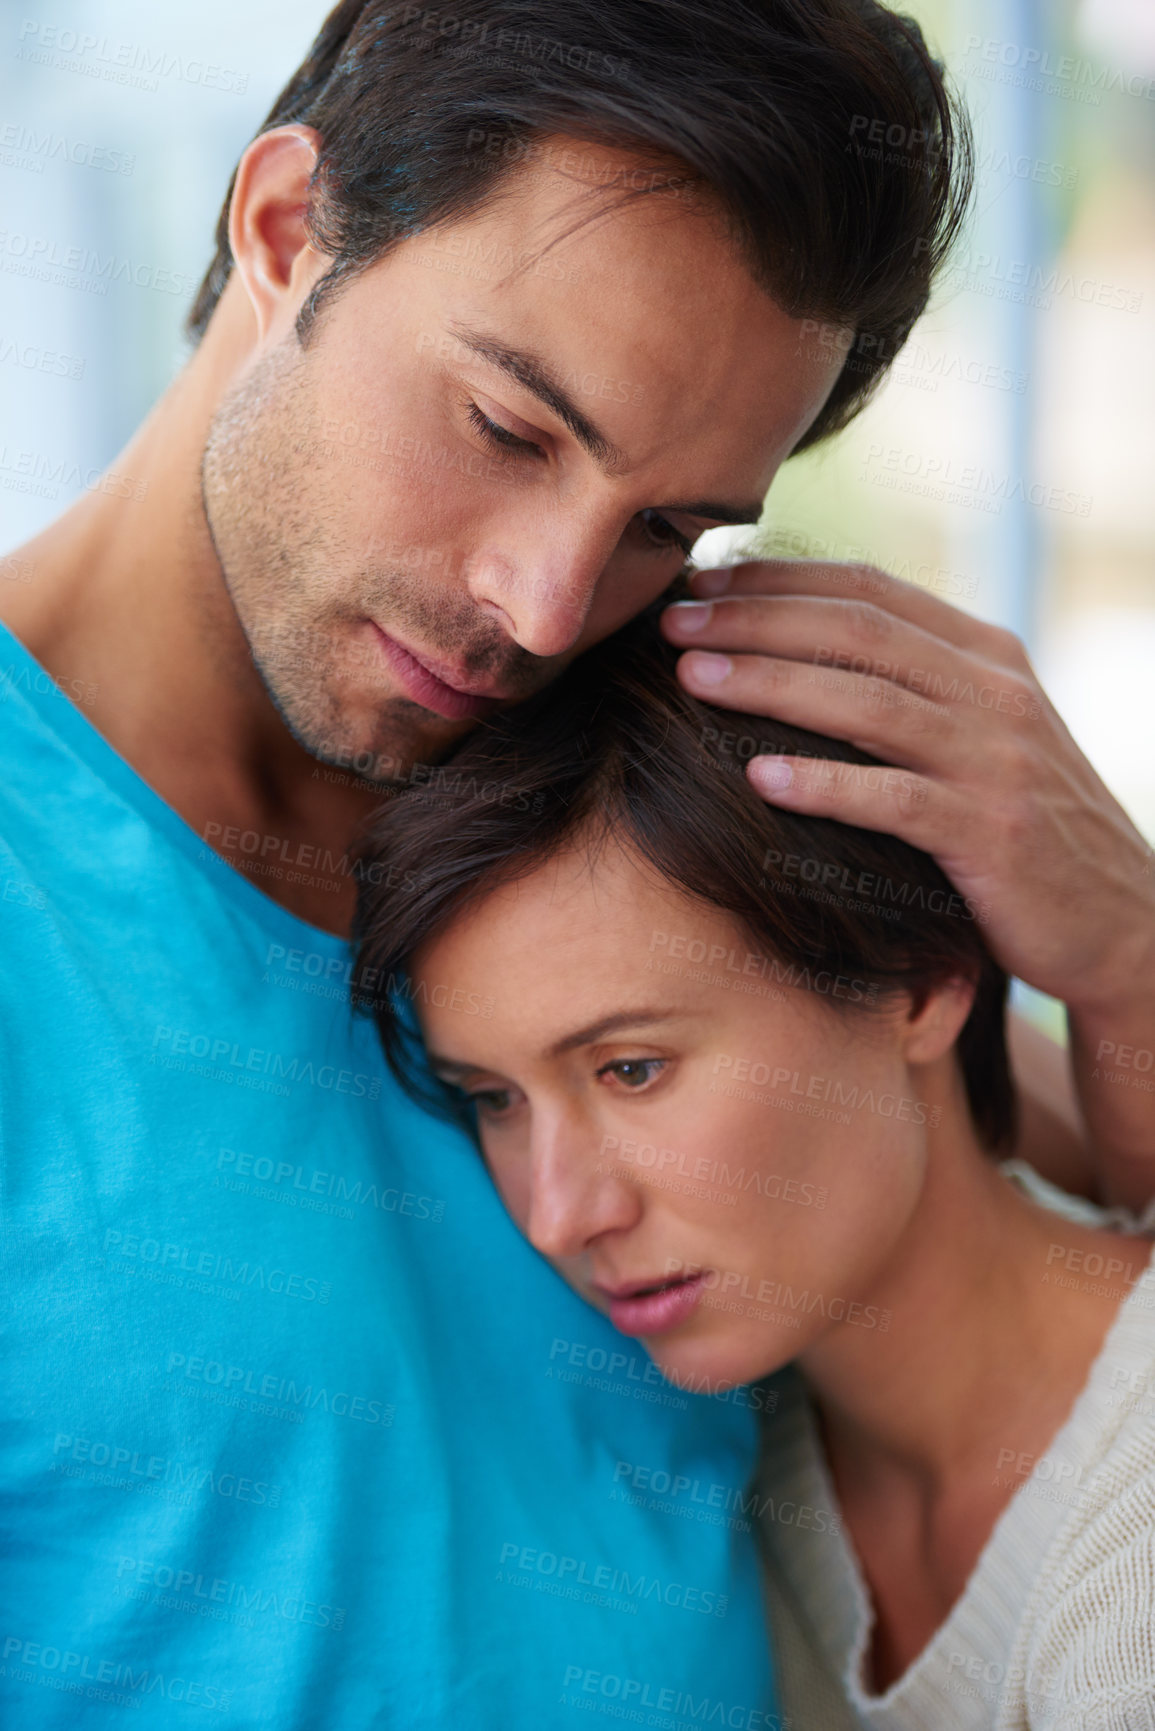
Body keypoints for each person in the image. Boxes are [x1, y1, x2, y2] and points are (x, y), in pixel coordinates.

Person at [2, 0, 1153, 1724]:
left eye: (671, 525)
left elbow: (1069, 1208)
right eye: (511, 428)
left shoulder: (601, 807)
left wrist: (1126, 955)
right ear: (285, 229)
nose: (546, 605)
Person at [354, 614, 1155, 1727]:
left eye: (632, 1068)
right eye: (493, 1098)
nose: (557, 1215)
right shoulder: (739, 1471)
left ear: (921, 987)